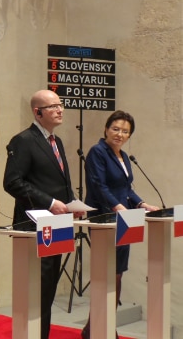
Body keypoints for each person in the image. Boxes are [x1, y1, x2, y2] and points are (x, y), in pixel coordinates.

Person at [3, 89, 82, 338]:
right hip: (35, 227)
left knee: (46, 291)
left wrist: (72, 204)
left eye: (60, 105)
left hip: (57, 225)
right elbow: (12, 182)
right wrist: (49, 203)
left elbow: (57, 182)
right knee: (34, 292)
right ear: (38, 113)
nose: (60, 110)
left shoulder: (55, 141)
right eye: (53, 106)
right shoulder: (23, 140)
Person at [80, 110, 159, 339]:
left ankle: (98, 327)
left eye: (125, 131)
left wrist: (142, 203)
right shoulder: (98, 152)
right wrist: (118, 207)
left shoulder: (123, 156)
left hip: (124, 221)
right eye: (115, 129)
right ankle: (100, 328)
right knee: (106, 274)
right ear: (106, 129)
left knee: (117, 274)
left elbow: (126, 190)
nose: (120, 134)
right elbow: (98, 185)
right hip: (104, 219)